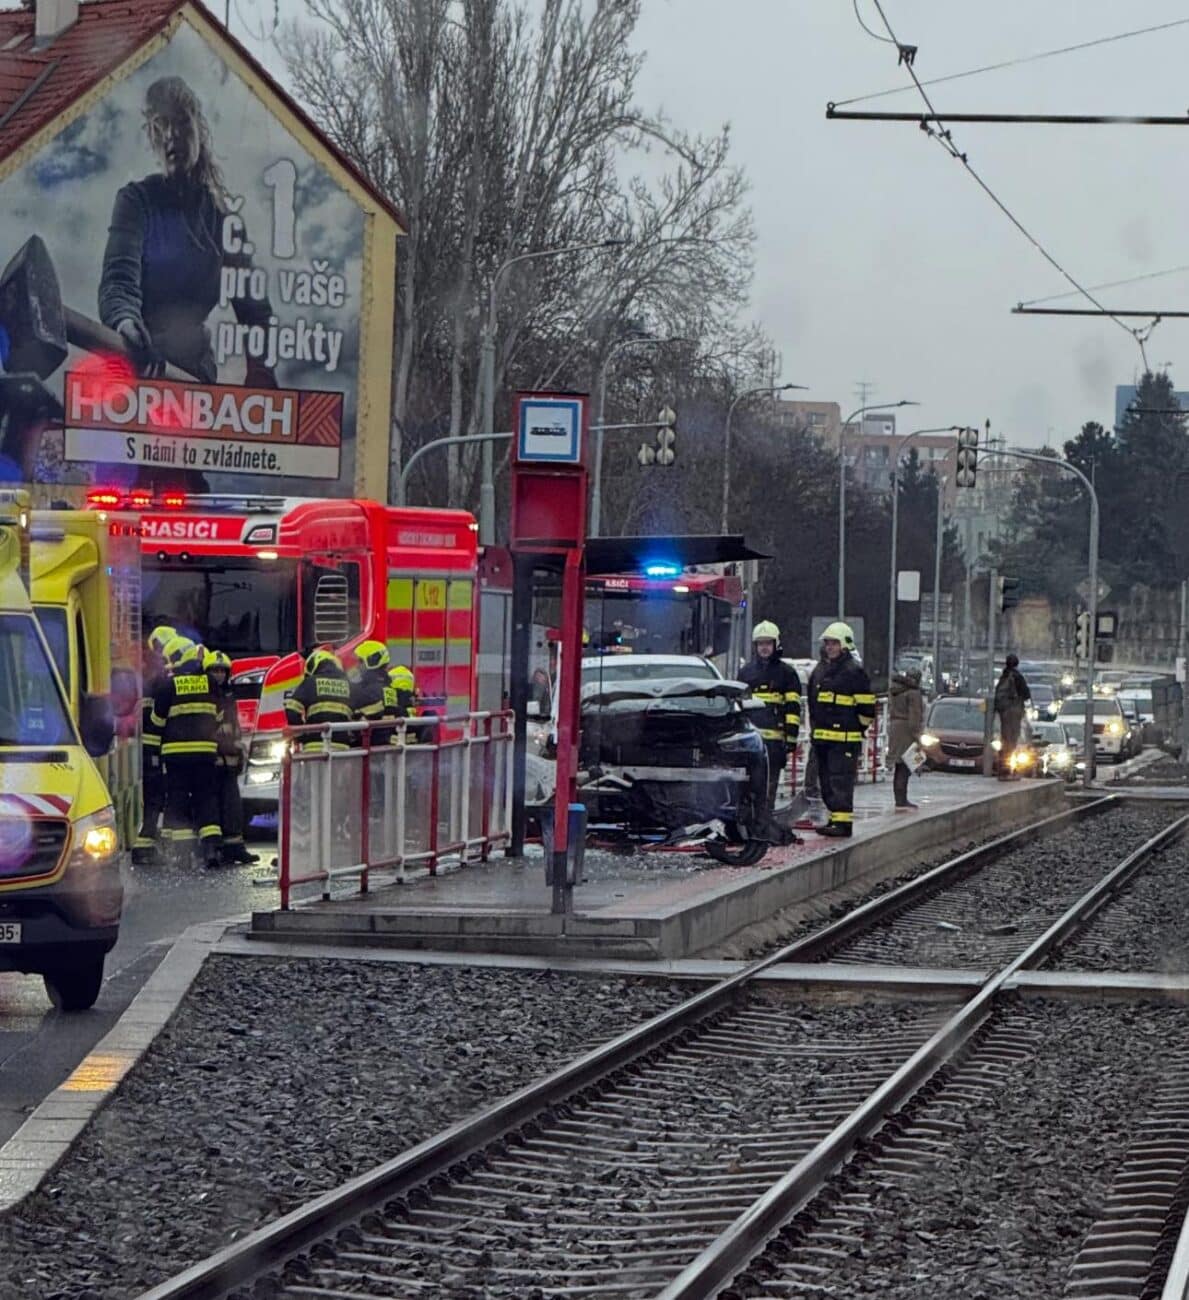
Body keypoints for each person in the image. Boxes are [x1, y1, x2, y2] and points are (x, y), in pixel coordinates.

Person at [149, 635, 222, 869]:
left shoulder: (168, 686)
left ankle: (182, 854)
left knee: (178, 798)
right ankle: (211, 847)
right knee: (206, 798)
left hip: (176, 755)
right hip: (206, 754)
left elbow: (157, 722)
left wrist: (154, 752)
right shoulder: (211, 684)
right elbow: (219, 717)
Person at [807, 622, 875, 838]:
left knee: (840, 781)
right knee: (826, 781)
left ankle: (843, 825)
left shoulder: (854, 672)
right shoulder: (820, 671)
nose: (830, 647)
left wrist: (855, 728)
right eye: (827, 643)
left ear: (845, 645)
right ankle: (835, 819)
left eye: (834, 643)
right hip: (822, 739)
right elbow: (812, 704)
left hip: (845, 740)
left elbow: (867, 709)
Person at [738, 621, 802, 823]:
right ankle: (748, 823)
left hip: (775, 743)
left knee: (769, 786)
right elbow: (739, 707)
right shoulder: (746, 672)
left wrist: (790, 739)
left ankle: (764, 825)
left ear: (776, 645)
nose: (764, 648)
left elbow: (793, 709)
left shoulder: (787, 673)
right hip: (750, 741)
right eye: (760, 644)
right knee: (748, 784)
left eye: (768, 643)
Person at [205, 649, 257, 865]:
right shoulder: (204, 694)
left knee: (233, 805)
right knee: (212, 806)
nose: (219, 675)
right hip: (213, 760)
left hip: (230, 760)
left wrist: (240, 750)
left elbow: (234, 728)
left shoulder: (229, 696)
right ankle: (213, 849)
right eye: (214, 670)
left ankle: (235, 847)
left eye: (222, 671)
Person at [132, 624, 176, 866]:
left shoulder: (151, 679)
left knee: (154, 797)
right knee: (155, 797)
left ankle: (146, 844)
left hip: (149, 748)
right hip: (154, 748)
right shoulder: (160, 682)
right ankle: (144, 845)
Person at [285, 648, 355, 749]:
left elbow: (291, 710)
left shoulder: (310, 682)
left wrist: (301, 734)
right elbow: (359, 713)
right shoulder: (349, 685)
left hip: (314, 745)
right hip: (342, 746)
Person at [887, 666, 925, 811]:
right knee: (906, 766)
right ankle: (902, 800)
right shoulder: (913, 693)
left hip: (895, 727)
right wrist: (917, 736)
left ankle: (899, 799)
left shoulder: (897, 691)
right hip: (906, 730)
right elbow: (914, 718)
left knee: (899, 765)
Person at [352, 639, 399, 745]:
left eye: (361, 662)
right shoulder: (388, 687)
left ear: (372, 661)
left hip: (373, 745)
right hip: (384, 744)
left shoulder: (371, 691)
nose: (357, 666)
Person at [994, 653, 1031, 779]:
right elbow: (1026, 694)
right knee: (1013, 741)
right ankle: (1010, 769)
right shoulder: (1018, 677)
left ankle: (1003, 769)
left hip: (1003, 713)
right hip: (1014, 712)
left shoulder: (1003, 676)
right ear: (1017, 663)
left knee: (1005, 740)